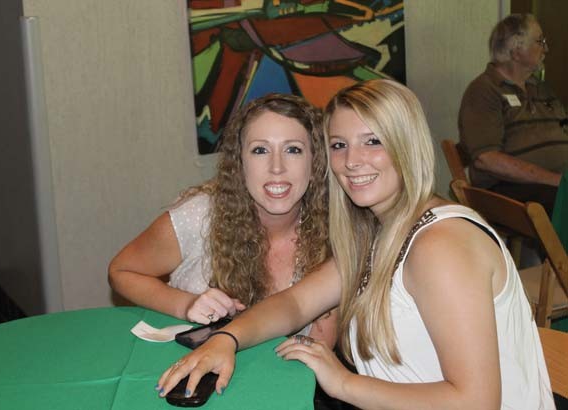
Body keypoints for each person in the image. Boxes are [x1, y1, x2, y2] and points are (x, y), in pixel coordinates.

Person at [157, 80, 554, 409]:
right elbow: (295, 304)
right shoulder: (379, 232)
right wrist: (226, 338)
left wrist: (344, 383)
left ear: (407, 144)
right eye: (339, 145)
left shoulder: (440, 246)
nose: (351, 161)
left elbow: (475, 402)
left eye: (373, 141)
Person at [108, 93, 337, 345]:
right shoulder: (200, 215)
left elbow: (318, 349)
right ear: (239, 163)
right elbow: (121, 271)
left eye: (293, 150)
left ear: (315, 162)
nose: (276, 167)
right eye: (260, 150)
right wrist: (186, 304)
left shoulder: (335, 234)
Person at [458, 13, 568, 215]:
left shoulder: (542, 88)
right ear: (516, 51)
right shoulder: (484, 90)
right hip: (508, 191)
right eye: (540, 41)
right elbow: (486, 159)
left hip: (552, 186)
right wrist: (557, 181)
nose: (546, 49)